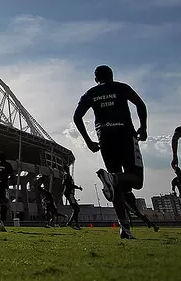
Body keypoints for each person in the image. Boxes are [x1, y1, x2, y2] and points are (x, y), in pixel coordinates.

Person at [73, 65, 148, 240]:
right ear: (112, 76)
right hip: (126, 135)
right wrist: (143, 128)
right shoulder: (122, 87)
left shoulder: (90, 93)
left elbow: (77, 116)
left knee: (117, 187)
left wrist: (88, 140)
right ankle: (113, 178)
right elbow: (140, 104)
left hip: (105, 139)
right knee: (136, 179)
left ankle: (124, 227)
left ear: (95, 79)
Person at [61, 165, 82, 230]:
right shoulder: (67, 176)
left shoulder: (66, 176)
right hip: (70, 194)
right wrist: (77, 187)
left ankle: (70, 223)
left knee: (76, 208)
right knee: (76, 208)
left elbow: (66, 184)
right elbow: (69, 185)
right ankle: (76, 224)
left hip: (70, 194)